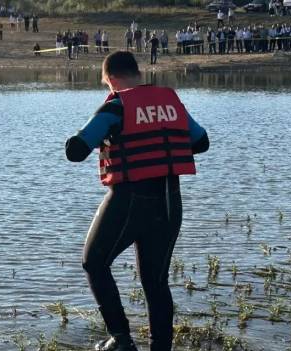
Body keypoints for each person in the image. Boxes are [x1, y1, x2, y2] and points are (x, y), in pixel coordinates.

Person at [65, 51, 209, 351]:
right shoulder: (171, 102)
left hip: (130, 199)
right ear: (137, 73)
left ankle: (121, 339)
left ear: (111, 79)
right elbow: (201, 142)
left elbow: (76, 150)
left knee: (94, 262)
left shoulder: (117, 106)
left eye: (106, 84)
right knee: (155, 281)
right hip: (170, 202)